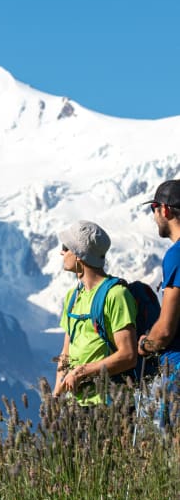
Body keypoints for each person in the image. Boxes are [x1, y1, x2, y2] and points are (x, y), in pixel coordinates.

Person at [53, 221, 137, 406]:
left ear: (79, 255)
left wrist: (81, 372)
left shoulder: (116, 295)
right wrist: (56, 393)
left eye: (66, 248)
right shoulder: (73, 296)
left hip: (110, 405)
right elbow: (65, 353)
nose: (61, 252)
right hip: (74, 405)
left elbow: (128, 355)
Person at [137, 180, 180, 420]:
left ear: (165, 209)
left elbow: (164, 330)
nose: (154, 215)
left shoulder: (176, 255)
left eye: (153, 208)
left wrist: (144, 345)